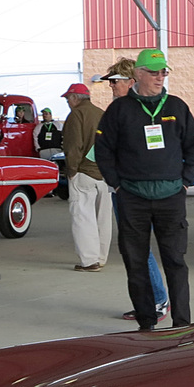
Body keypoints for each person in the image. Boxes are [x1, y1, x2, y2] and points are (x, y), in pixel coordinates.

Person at [94, 47, 194, 330]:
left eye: (163, 72)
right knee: (136, 263)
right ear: (138, 75)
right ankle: (146, 323)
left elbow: (193, 147)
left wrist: (185, 182)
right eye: (154, 72)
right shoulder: (119, 110)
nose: (159, 77)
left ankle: (181, 324)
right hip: (133, 199)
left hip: (171, 199)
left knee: (176, 262)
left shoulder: (177, 107)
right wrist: (117, 185)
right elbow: (103, 150)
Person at [97, 59, 169, 323]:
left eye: (115, 81)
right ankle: (147, 301)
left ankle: (157, 300)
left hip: (138, 191)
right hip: (125, 188)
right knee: (135, 248)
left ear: (131, 81)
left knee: (139, 248)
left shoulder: (142, 110)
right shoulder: (120, 110)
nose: (112, 86)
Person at [61, 82, 110, 272]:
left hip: (83, 173)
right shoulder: (101, 114)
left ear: (74, 98)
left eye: (67, 99)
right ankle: (101, 257)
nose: (67, 102)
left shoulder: (76, 115)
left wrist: (71, 171)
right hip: (104, 175)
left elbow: (73, 146)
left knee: (83, 218)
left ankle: (89, 261)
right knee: (103, 219)